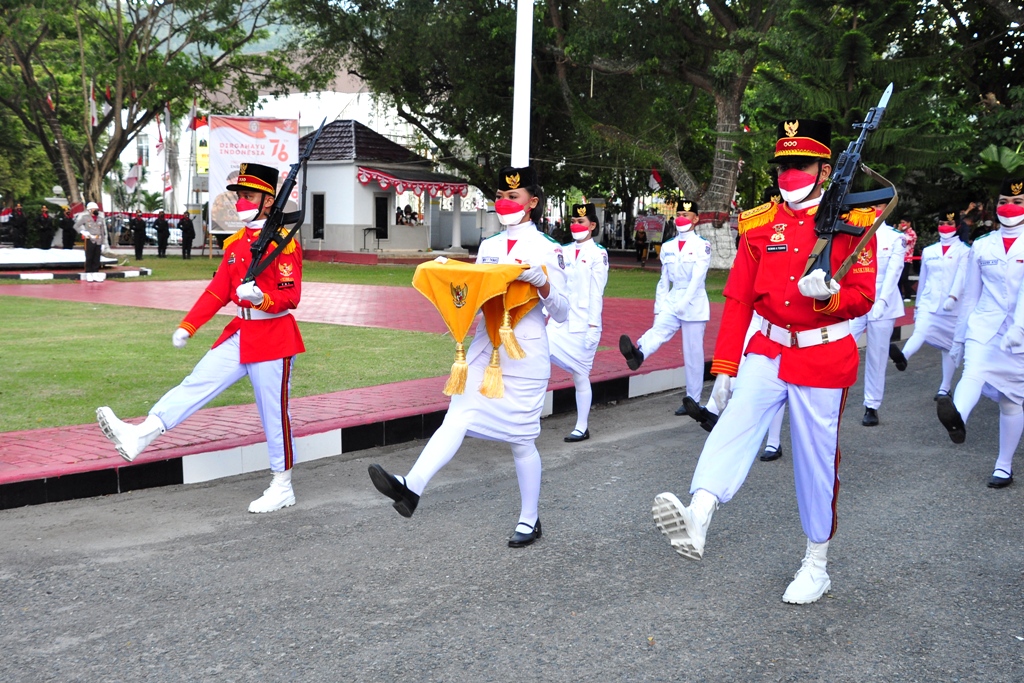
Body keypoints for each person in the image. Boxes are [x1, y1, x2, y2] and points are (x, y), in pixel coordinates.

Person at [651, 118, 877, 604]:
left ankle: (816, 563)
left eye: (800, 165)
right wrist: (725, 369)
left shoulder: (855, 221)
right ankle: (699, 516)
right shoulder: (758, 223)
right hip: (768, 348)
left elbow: (863, 297)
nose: (789, 175)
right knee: (734, 425)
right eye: (782, 166)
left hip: (821, 352)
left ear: (824, 168)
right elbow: (738, 300)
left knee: (817, 463)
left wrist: (832, 296)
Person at [367, 166, 569, 547]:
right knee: (457, 415)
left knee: (522, 441)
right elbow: (477, 297)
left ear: (533, 203)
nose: (505, 203)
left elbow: (563, 312)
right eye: (501, 196)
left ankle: (530, 518)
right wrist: (453, 280)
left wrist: (543, 286)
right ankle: (412, 486)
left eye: (515, 197)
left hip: (525, 351)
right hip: (484, 349)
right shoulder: (490, 247)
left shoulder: (548, 249)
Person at [96, 162, 305, 513]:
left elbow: (291, 296)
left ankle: (282, 485)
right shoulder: (238, 244)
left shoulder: (284, 244)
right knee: (196, 383)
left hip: (274, 337)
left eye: (249, 196)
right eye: (239, 195)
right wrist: (188, 326)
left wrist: (261, 299)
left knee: (273, 414)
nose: (241, 201)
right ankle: (140, 434)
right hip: (241, 332)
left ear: (269, 201)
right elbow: (216, 292)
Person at [937, 177, 1024, 488]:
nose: (1009, 207)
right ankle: (956, 416)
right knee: (973, 371)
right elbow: (971, 295)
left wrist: (1020, 327)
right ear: (995, 205)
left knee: (1011, 402)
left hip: (1018, 332)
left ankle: (1004, 464)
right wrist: (959, 338)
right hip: (983, 325)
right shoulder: (983, 244)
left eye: (1018, 202)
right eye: (1003, 202)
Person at [619, 200, 711, 413]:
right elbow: (664, 280)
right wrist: (659, 308)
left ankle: (693, 401)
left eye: (686, 215)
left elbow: (698, 278)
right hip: (673, 296)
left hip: (694, 302)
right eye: (679, 213)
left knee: (693, 353)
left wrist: (684, 303)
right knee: (659, 328)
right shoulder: (668, 246)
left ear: (696, 219)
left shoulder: (702, 245)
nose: (681, 218)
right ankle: (638, 353)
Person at [547, 203, 609, 442]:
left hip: (584, 323)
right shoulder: (561, 250)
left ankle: (582, 427)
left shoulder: (598, 253)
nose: (576, 225)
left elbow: (596, 293)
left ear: (592, 225)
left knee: (580, 374)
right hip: (559, 320)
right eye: (573, 221)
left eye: (581, 222)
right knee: (540, 354)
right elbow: (555, 285)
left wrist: (594, 327)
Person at [897, 210, 969, 400]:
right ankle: (902, 356)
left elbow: (961, 277)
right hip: (929, 302)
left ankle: (945, 388)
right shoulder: (929, 251)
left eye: (950, 224)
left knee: (949, 348)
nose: (945, 227)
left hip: (953, 308)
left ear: (957, 227)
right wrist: (918, 305)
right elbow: (924, 280)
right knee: (920, 331)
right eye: (942, 222)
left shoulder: (965, 252)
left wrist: (953, 297)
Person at [848, 202, 907, 426]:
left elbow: (894, 272)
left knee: (876, 356)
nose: (876, 209)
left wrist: (881, 301)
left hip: (884, 302)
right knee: (844, 344)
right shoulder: (854, 234)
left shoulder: (895, 237)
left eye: (881, 204)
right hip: (856, 300)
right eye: (872, 205)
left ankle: (871, 405)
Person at [74, 202, 106, 281]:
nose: (96, 210)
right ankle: (89, 273)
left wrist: (103, 243)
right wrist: (83, 232)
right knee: (89, 257)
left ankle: (95, 273)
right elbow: (76, 226)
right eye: (95, 209)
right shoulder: (85, 218)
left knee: (97, 258)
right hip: (90, 239)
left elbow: (102, 232)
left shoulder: (100, 219)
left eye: (97, 209)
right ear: (90, 210)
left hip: (98, 240)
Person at [896, 219, 917, 300]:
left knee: (904, 277)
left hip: (907, 258)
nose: (902, 224)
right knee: (898, 277)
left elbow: (904, 241)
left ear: (909, 223)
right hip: (899, 258)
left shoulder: (911, 233)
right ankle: (899, 296)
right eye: (901, 222)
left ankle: (908, 295)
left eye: (904, 222)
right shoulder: (902, 232)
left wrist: (898, 231)